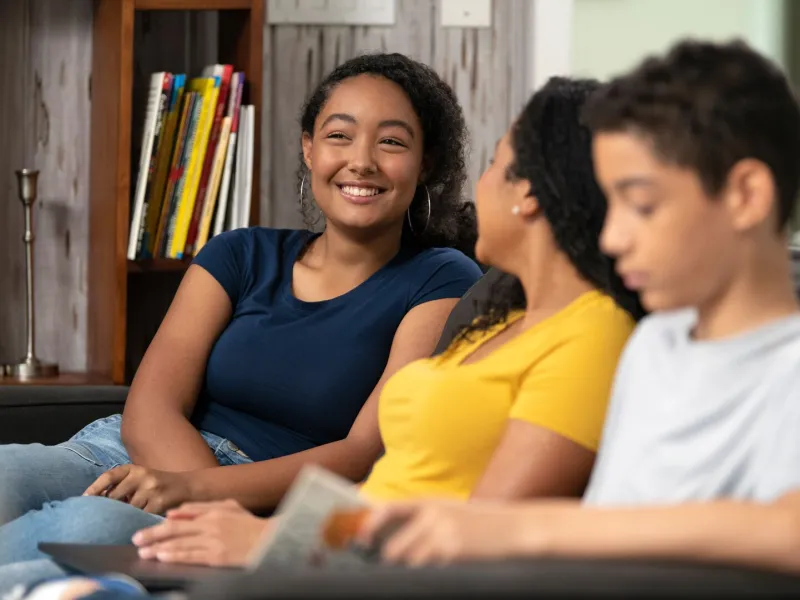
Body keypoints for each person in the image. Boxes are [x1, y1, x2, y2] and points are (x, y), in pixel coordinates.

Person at [34, 76, 645, 591]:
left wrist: (272, 539)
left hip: (336, 561)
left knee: (70, 555)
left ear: (532, 197)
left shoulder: (591, 334)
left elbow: (480, 526)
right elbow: (394, 487)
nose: (476, 188)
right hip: (320, 539)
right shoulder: (504, 318)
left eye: (493, 167)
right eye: (339, 135)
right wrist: (279, 535)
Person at [0, 52, 482, 593]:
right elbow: (150, 404)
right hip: (125, 455)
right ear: (308, 147)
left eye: (391, 142)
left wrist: (201, 498)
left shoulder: (442, 279)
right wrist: (182, 484)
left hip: (256, 504)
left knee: (84, 527)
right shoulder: (240, 252)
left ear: (427, 163)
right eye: (339, 136)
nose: (362, 161)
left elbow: (364, 451)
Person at [354, 39, 800, 575]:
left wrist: (519, 528)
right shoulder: (655, 348)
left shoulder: (786, 368)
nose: (610, 239)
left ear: (746, 195)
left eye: (643, 205)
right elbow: (614, 526)